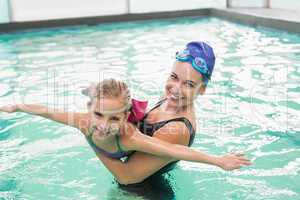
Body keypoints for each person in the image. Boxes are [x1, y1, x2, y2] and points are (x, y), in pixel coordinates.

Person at [0, 79, 251, 183]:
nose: (104, 125)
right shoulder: (82, 120)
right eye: (98, 114)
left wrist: (218, 161)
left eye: (115, 118)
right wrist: (16, 107)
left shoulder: (130, 136)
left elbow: (174, 149)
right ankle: (92, 89)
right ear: (90, 110)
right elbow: (46, 110)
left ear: (125, 116)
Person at [88, 41, 252, 185]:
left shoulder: (177, 129)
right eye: (174, 77)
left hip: (141, 193)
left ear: (201, 89)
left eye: (188, 84)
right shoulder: (170, 99)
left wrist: (90, 135)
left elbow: (127, 177)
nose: (175, 89)